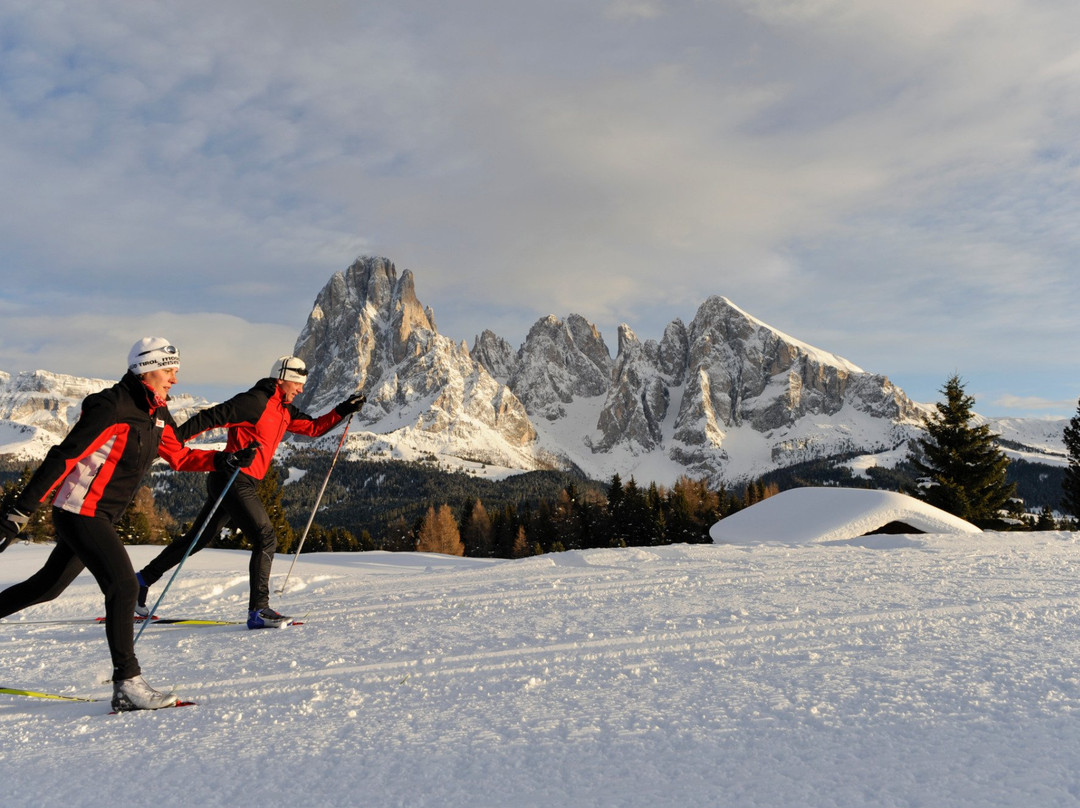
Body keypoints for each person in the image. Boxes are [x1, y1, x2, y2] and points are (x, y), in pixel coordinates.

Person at [0, 338, 254, 711]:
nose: (175, 379)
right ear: (146, 369)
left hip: (99, 515)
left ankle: (128, 684)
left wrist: (223, 461)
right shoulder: (112, 406)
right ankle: (128, 684)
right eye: (169, 371)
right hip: (80, 512)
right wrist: (17, 514)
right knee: (123, 586)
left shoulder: (155, 412)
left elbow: (179, 455)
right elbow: (63, 457)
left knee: (46, 588)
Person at [135, 355, 365, 629]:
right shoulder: (254, 401)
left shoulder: (284, 409)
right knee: (266, 537)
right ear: (281, 378)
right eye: (297, 383)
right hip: (233, 476)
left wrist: (343, 409)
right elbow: (211, 417)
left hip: (240, 481)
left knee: (196, 540)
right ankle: (259, 610)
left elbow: (313, 429)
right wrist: (173, 441)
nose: (301, 389)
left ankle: (139, 582)